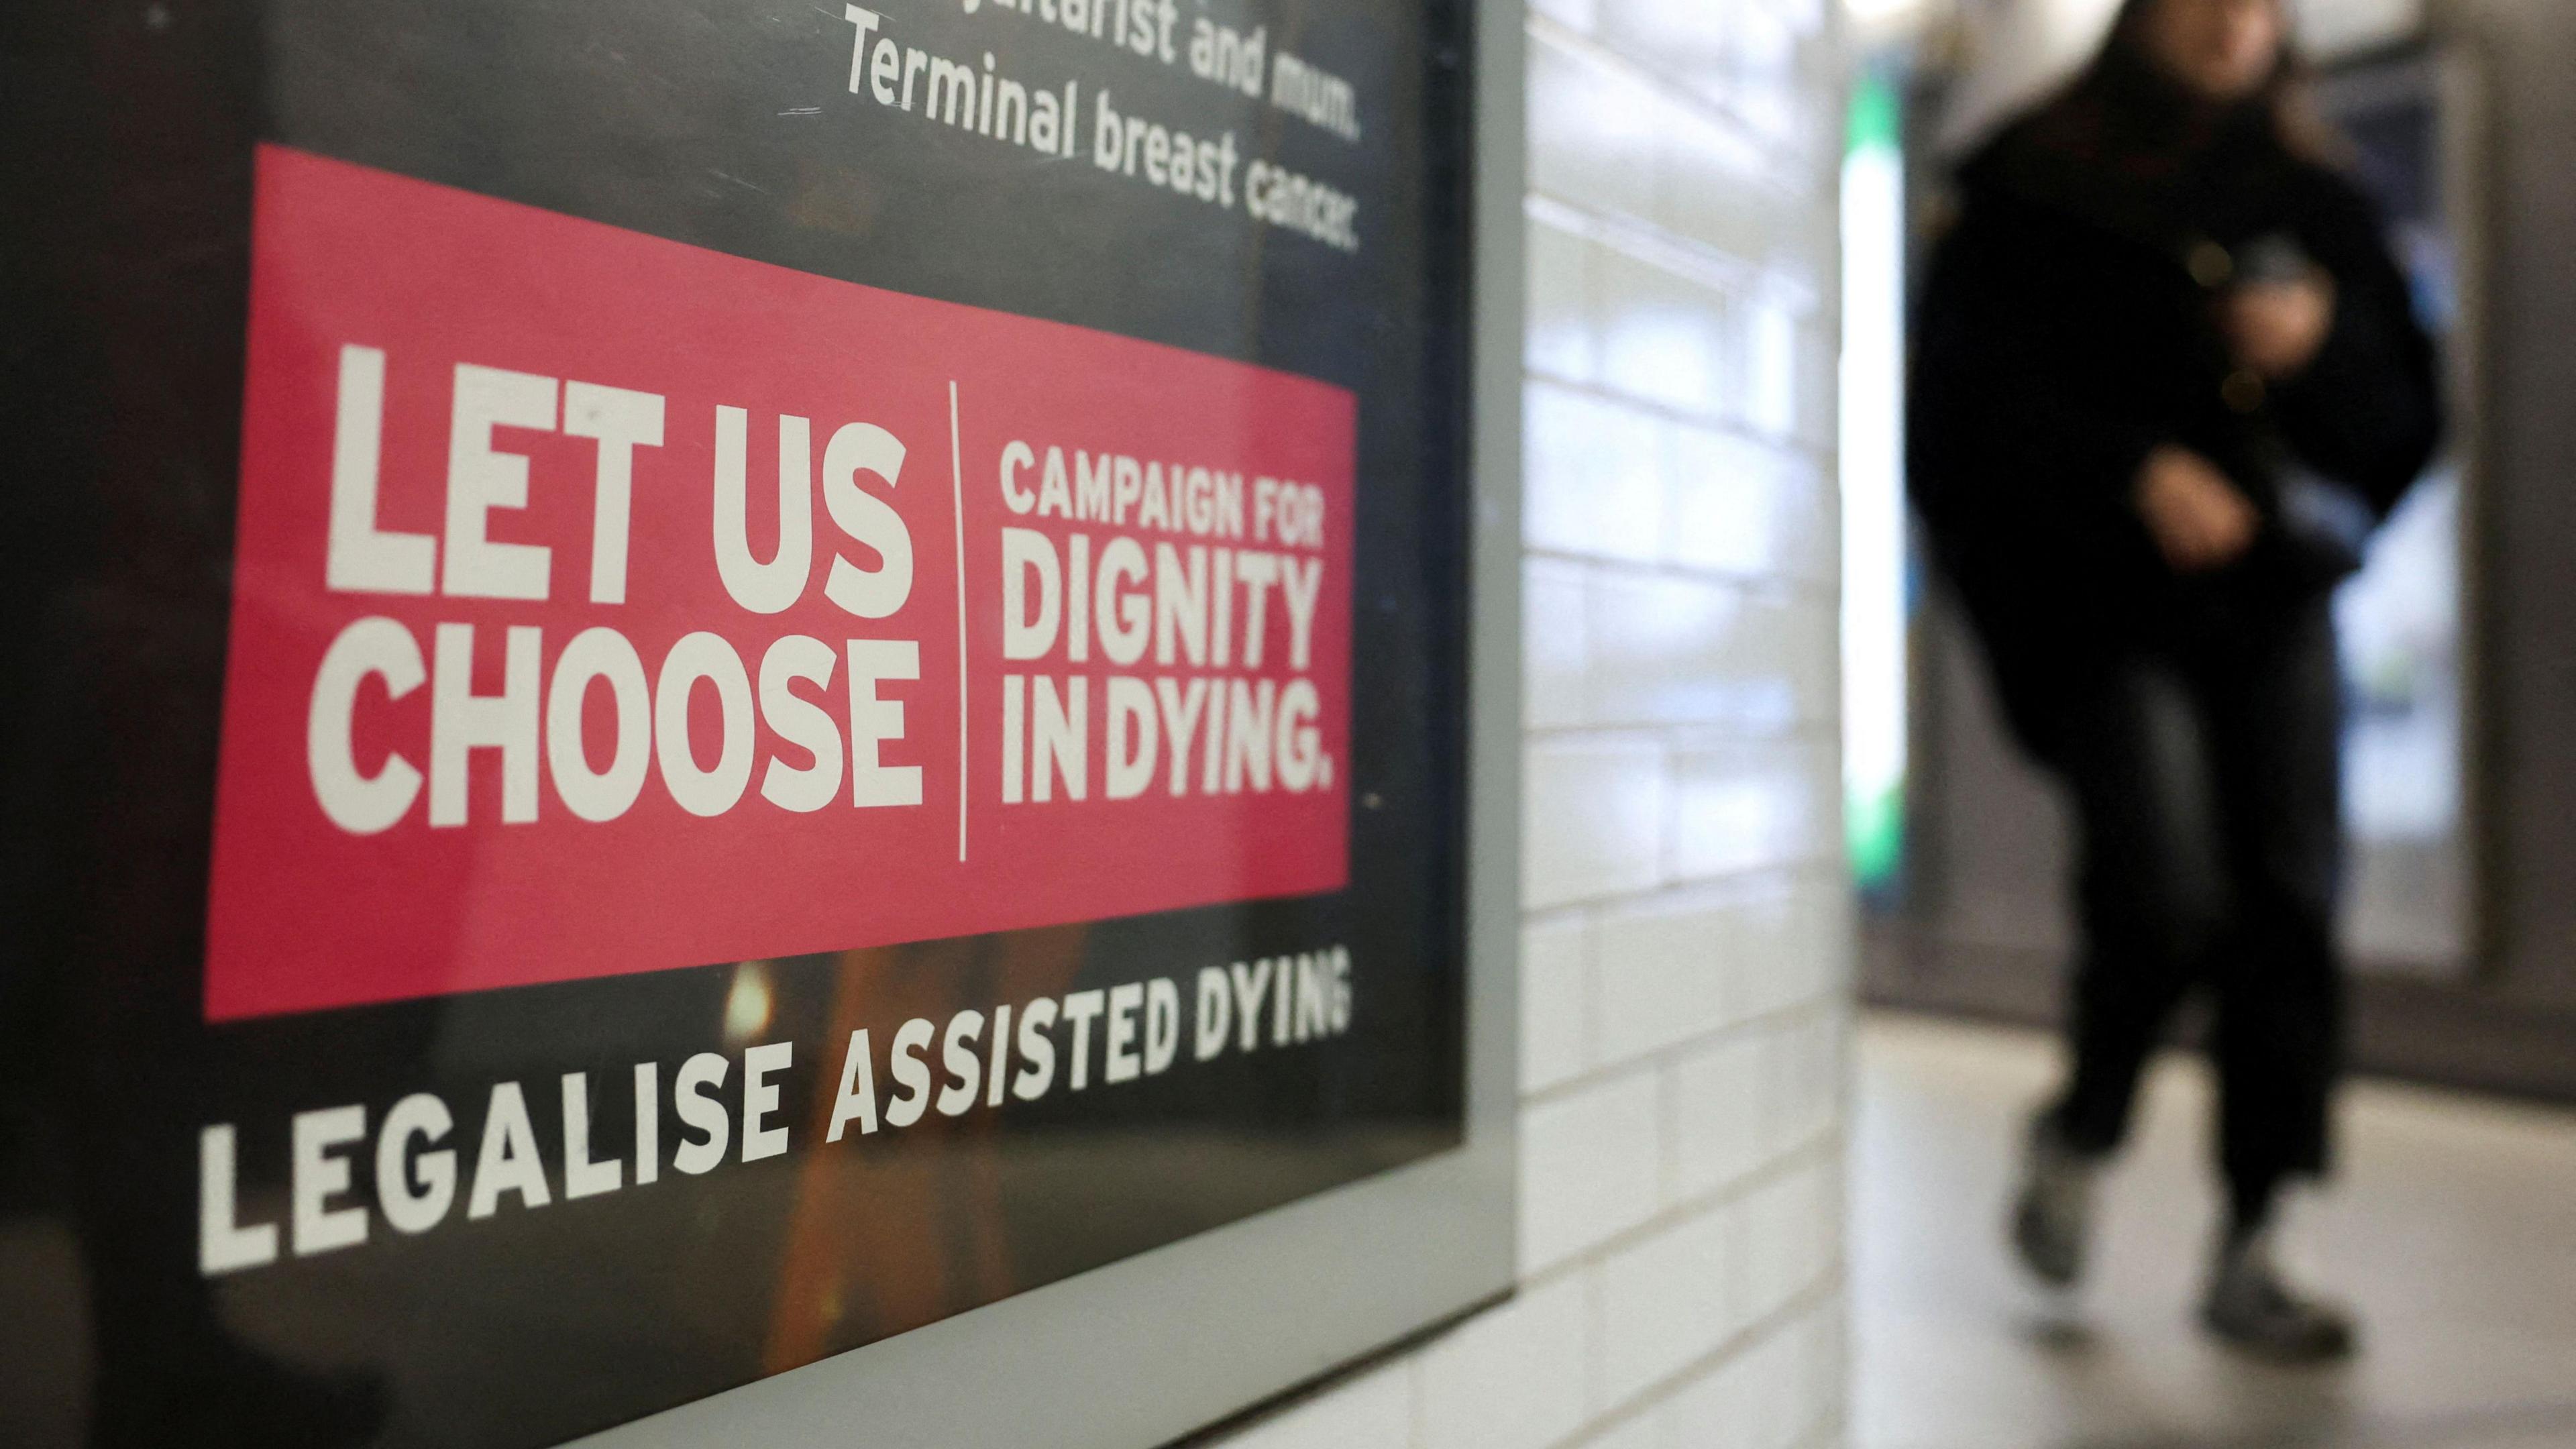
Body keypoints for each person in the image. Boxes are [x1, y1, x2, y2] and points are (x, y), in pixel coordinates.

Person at [1907, 0, 2442, 1360]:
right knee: (2163, 891)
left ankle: (2260, 1235)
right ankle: (2083, 1125)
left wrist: (2317, 355)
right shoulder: (2031, 183)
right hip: (2104, 609)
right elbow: (1959, 417)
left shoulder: (2321, 198)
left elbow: (2408, 423)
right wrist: (2126, 472)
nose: (2234, 25)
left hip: (2275, 601)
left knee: (2286, 900)